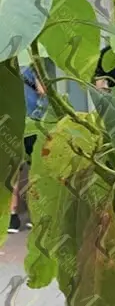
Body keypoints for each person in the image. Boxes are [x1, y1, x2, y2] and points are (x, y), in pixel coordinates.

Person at [9, 64, 46, 232]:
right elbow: (43, 91)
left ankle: (12, 217)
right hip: (31, 122)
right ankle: (35, 214)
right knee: (34, 168)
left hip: (10, 124)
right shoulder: (30, 66)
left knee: (13, 171)